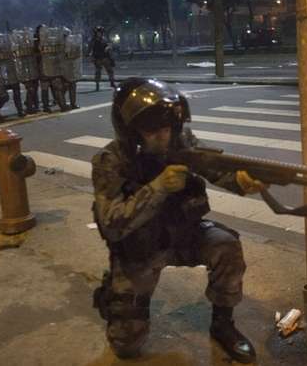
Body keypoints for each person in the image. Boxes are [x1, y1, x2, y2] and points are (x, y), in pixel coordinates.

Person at [91, 78, 263, 363]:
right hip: (140, 249)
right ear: (131, 131)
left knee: (226, 246)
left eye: (169, 128)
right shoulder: (111, 160)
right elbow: (111, 224)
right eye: (153, 131)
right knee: (126, 345)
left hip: (183, 234)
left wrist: (242, 181)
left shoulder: (180, 141)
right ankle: (118, 292)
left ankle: (223, 324)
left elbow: (213, 167)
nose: (164, 136)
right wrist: (157, 188)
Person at [88, 25, 116, 92]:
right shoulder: (93, 40)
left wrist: (108, 48)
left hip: (105, 57)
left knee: (110, 70)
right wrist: (90, 56)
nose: (99, 33)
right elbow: (90, 48)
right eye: (98, 32)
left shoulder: (104, 39)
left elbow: (108, 46)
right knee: (98, 72)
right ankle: (97, 85)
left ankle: (112, 82)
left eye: (100, 32)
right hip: (97, 58)